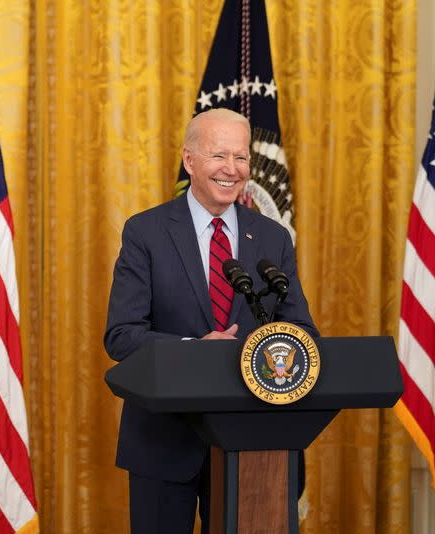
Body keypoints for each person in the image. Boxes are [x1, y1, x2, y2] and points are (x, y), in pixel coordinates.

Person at [103, 108, 319, 534]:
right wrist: (195, 353)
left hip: (255, 443)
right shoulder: (145, 232)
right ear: (189, 160)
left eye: (241, 158)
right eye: (219, 156)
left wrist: (267, 356)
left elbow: (303, 333)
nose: (232, 170)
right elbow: (122, 336)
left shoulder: (273, 237)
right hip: (164, 442)